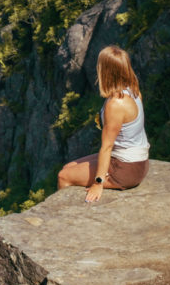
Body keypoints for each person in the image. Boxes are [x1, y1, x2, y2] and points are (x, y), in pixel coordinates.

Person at [57, 44, 149, 203]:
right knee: (68, 167)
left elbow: (106, 146)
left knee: (63, 176)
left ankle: (63, 218)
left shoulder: (116, 104)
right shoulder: (132, 90)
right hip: (134, 160)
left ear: (106, 72)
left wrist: (98, 182)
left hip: (126, 167)